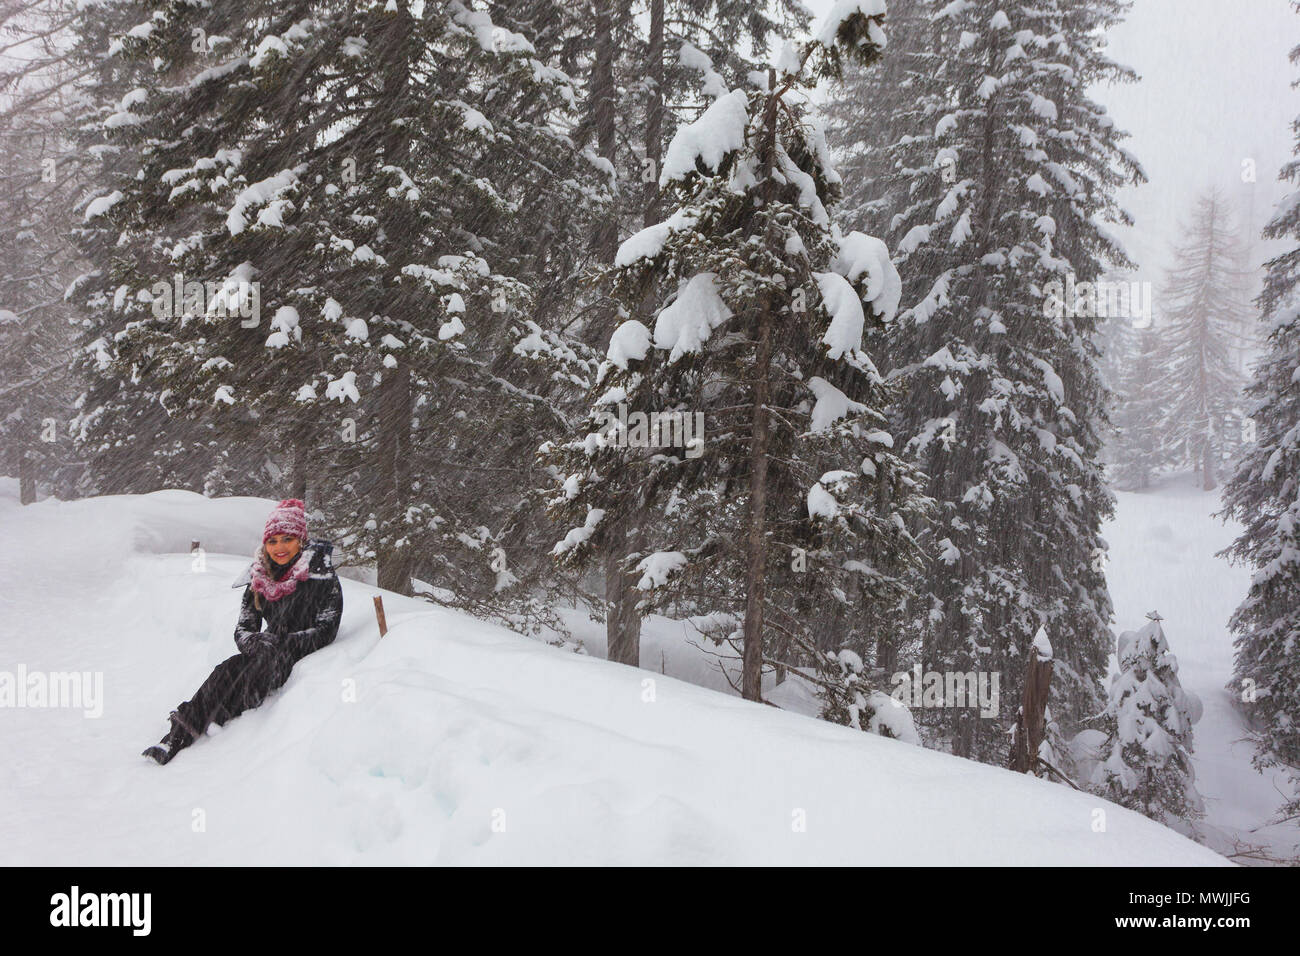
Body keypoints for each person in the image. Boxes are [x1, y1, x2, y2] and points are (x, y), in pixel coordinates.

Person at [143, 498, 344, 765]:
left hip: (297, 654)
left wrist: (284, 643)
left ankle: (213, 721)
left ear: (301, 541)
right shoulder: (260, 576)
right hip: (266, 650)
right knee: (227, 669)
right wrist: (256, 643)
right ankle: (179, 733)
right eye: (272, 541)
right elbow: (243, 628)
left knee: (253, 672)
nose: (279, 548)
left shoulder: (321, 577)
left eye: (287, 539)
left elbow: (326, 630)